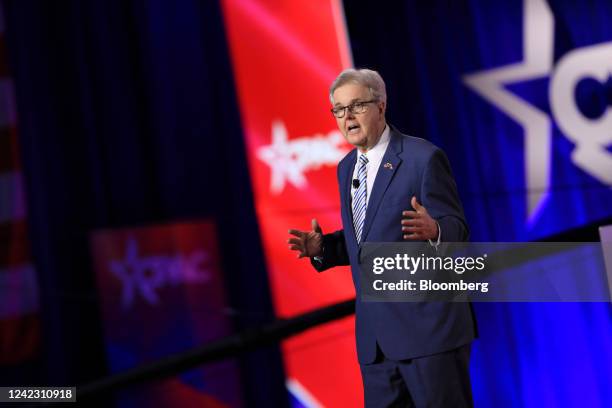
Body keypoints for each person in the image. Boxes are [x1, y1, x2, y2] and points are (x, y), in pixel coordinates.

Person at [288, 68, 476, 407]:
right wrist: (324, 249)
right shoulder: (346, 168)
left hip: (429, 334)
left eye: (357, 105)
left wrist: (435, 230)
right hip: (376, 344)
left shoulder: (422, 158)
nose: (347, 117)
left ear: (381, 106)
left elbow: (458, 230)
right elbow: (368, 236)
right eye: (339, 109)